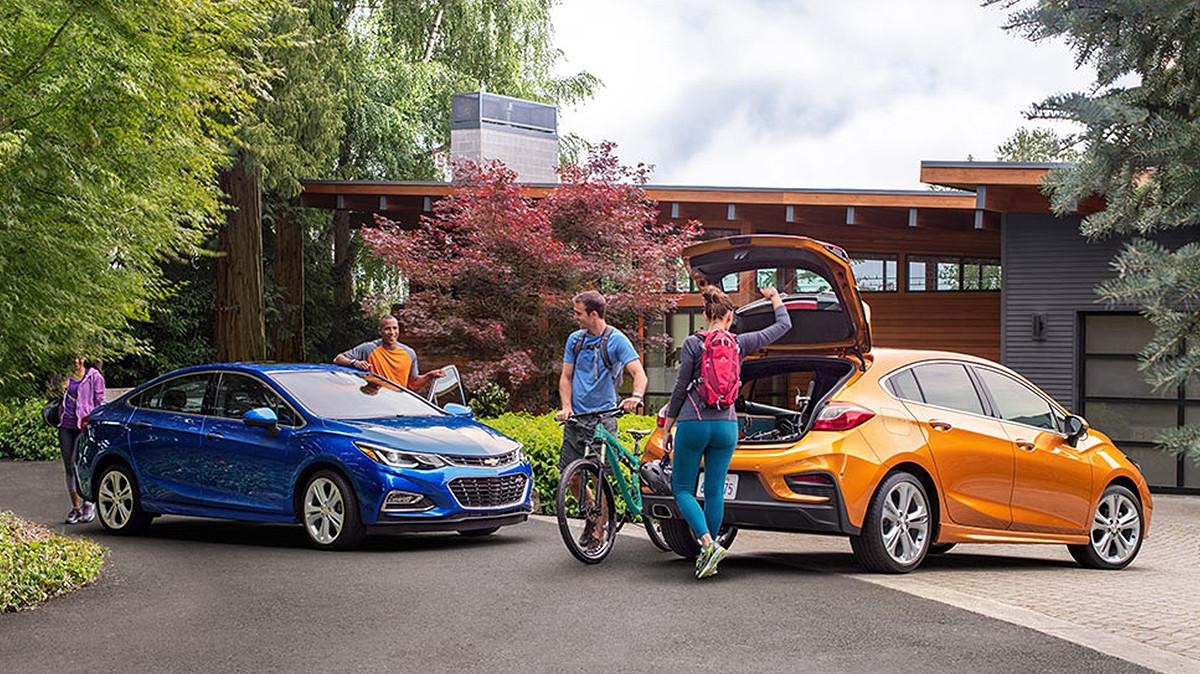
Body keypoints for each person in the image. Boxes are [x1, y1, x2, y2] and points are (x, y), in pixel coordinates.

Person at [661, 285, 791, 578]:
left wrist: (669, 424)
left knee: (682, 489)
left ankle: (707, 544)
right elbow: (784, 325)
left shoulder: (694, 344)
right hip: (727, 425)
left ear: (705, 315)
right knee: (715, 490)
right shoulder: (740, 343)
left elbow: (681, 387)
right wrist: (773, 298)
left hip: (694, 423)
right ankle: (712, 552)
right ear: (730, 317)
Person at [555, 290, 648, 547]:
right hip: (576, 419)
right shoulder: (575, 340)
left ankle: (599, 530)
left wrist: (636, 396)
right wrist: (566, 407)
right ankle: (592, 514)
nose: (575, 318)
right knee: (571, 478)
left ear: (593, 314)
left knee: (599, 478)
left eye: (578, 313)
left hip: (603, 418)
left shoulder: (616, 340)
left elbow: (638, 373)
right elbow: (566, 378)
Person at [334, 315, 444, 390]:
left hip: (399, 404)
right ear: (380, 331)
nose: (392, 332)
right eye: (387, 329)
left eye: (395, 328)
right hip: (374, 402)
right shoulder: (368, 348)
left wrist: (430, 375)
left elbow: (413, 384)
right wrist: (354, 362)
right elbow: (338, 358)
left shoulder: (409, 353)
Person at [58, 356, 105, 525]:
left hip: (83, 426)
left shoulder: (94, 376)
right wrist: (59, 389)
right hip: (65, 425)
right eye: (73, 358)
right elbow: (53, 395)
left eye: (79, 358)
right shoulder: (63, 376)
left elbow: (100, 402)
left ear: (85, 358)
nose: (76, 361)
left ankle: (88, 502)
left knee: (82, 464)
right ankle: (75, 507)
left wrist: (94, 422)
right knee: (69, 467)